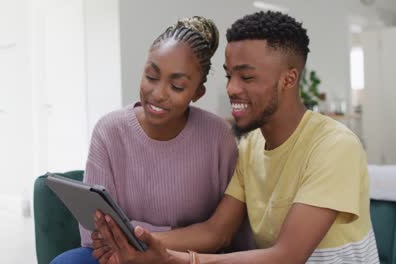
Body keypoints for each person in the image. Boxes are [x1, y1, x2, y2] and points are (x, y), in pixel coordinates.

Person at [93, 11, 379, 264]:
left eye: (247, 78)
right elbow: (216, 231)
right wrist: (138, 243)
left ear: (289, 80)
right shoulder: (250, 147)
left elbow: (287, 256)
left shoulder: (334, 146)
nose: (231, 89)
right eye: (230, 76)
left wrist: (173, 259)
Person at [50, 16, 252, 264]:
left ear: (197, 93)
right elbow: (95, 235)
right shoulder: (110, 130)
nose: (158, 94)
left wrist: (142, 237)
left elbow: (221, 234)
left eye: (177, 86)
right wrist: (171, 237)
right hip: (120, 256)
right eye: (151, 77)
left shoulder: (218, 136)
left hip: (185, 258)